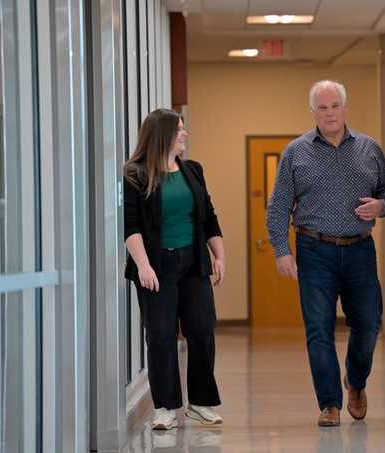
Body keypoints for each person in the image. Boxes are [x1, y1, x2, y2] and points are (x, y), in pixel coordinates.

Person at [266, 80, 385, 426]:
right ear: (313, 112)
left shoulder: (369, 148)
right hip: (314, 250)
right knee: (319, 329)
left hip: (360, 250)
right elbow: (278, 205)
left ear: (344, 107)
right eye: (322, 107)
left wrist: (380, 206)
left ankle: (355, 382)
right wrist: (282, 250)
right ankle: (330, 404)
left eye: (334, 105)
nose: (329, 113)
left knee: (368, 324)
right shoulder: (295, 152)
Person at [123, 108, 225, 430]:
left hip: (194, 262)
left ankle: (200, 403)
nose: (184, 134)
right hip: (156, 266)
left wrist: (219, 256)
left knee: (202, 331)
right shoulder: (136, 174)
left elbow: (208, 216)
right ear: (164, 134)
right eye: (179, 129)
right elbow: (130, 226)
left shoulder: (192, 170)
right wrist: (143, 265)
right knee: (161, 337)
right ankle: (165, 408)